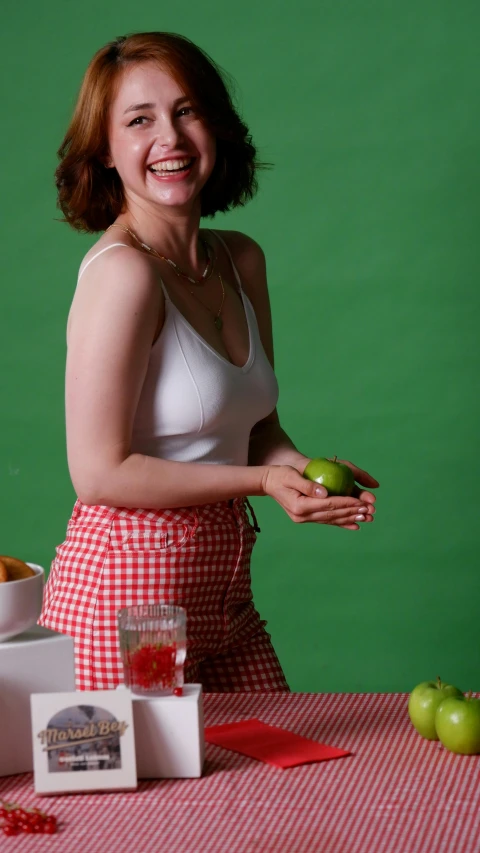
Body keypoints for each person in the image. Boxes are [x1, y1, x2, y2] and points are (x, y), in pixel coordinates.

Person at [39, 32, 379, 692]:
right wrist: (260, 484)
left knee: (278, 775)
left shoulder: (240, 259)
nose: (169, 137)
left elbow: (259, 431)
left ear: (215, 127)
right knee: (142, 798)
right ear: (106, 150)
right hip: (124, 602)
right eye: (139, 121)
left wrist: (300, 475)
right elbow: (98, 473)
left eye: (186, 111)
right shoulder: (124, 277)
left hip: (222, 596)